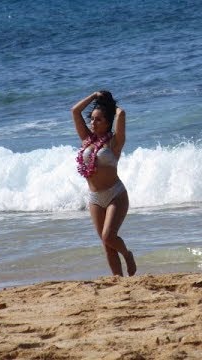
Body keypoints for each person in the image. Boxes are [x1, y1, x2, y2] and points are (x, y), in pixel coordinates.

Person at [71, 91, 137, 277]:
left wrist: (109, 104)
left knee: (109, 236)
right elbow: (75, 111)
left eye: (99, 120)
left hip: (115, 194)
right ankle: (119, 280)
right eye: (92, 119)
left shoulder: (115, 142)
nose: (93, 123)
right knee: (106, 244)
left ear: (108, 122)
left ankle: (127, 255)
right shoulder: (86, 139)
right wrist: (93, 96)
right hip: (95, 198)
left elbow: (121, 114)